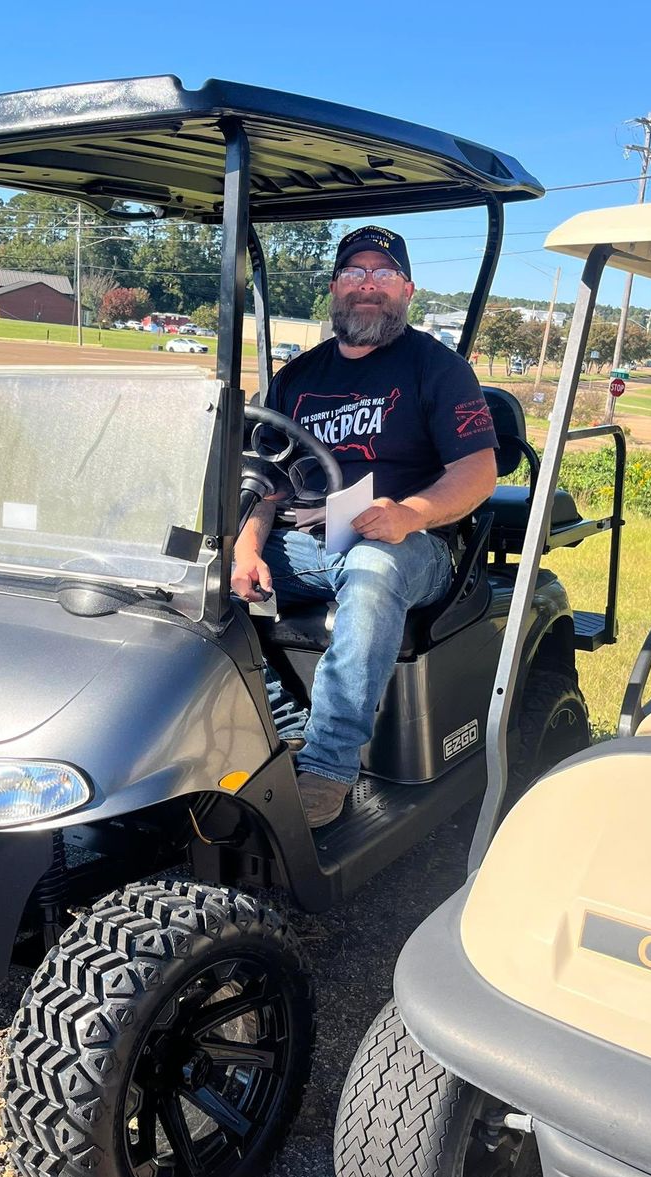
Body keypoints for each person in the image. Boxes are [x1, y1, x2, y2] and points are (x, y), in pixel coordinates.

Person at [232, 226, 498, 828]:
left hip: (410, 543)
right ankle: (281, 723)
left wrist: (412, 513)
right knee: (197, 568)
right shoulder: (297, 378)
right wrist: (246, 547)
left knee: (372, 567)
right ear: (335, 288)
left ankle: (327, 765)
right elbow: (264, 481)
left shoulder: (439, 368)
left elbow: (478, 471)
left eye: (383, 274)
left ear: (406, 289)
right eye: (355, 273)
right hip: (304, 543)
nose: (368, 286)